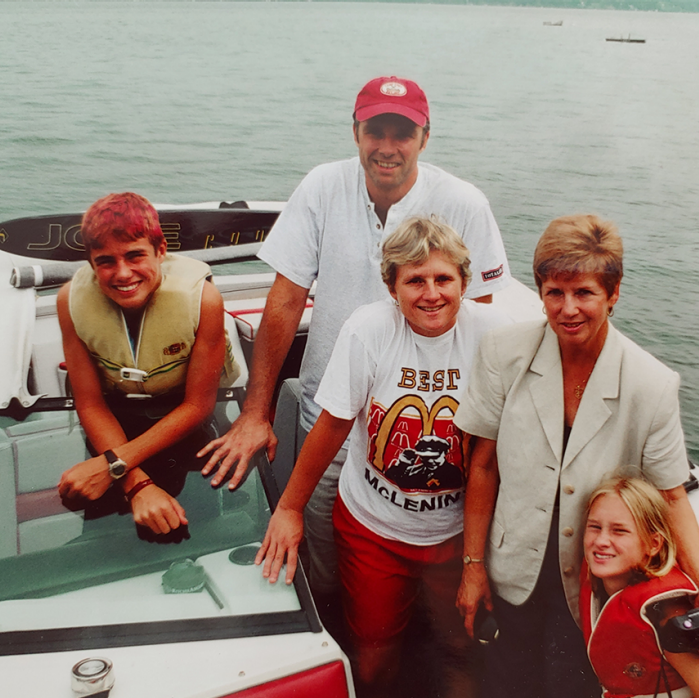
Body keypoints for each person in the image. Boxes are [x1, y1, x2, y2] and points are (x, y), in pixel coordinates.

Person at [198, 76, 512, 598]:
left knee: (436, 553)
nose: (387, 147)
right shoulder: (323, 185)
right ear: (356, 132)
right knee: (323, 548)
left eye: (402, 133)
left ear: (425, 138)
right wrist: (256, 412)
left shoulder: (464, 202)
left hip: (424, 423)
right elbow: (285, 298)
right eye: (376, 131)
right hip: (329, 415)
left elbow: (477, 320)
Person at [453, 214, 699, 698]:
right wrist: (473, 566)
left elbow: (671, 494)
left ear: (613, 293)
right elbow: (483, 465)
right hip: (511, 569)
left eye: (584, 293)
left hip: (596, 585)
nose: (568, 309)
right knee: (501, 684)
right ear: (539, 290)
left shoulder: (652, 383)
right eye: (554, 292)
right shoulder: (502, 352)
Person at [255, 218, 510, 698]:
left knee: (463, 648)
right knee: (371, 662)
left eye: (443, 279)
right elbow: (331, 425)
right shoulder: (369, 329)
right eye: (415, 280)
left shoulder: (495, 335)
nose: (431, 293)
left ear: (464, 282)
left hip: (457, 533)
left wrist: (475, 563)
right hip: (373, 529)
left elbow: (491, 458)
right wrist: (289, 508)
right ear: (391, 286)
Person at [57, 192, 236, 537]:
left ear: (161, 250)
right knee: (107, 535)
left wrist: (113, 467)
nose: (123, 273)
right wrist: (135, 484)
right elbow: (90, 402)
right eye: (105, 261)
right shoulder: (69, 302)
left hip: (187, 422)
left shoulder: (204, 300)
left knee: (199, 528)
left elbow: (199, 405)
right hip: (112, 422)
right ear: (90, 264)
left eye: (135, 255)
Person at [581, 476, 699, 698]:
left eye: (619, 531)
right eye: (595, 527)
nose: (601, 540)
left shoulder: (672, 614)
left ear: (653, 544)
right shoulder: (598, 577)